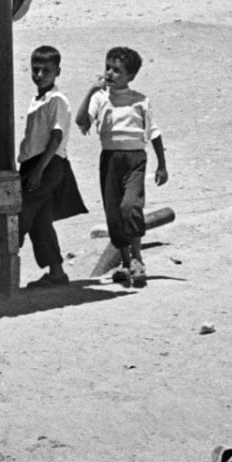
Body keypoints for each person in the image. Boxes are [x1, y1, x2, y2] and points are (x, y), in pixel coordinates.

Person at [75, 46, 169, 289]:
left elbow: (154, 132)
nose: (110, 73)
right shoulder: (100, 98)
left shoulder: (140, 100)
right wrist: (90, 92)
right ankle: (126, 263)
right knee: (114, 213)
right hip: (109, 160)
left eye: (117, 70)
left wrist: (162, 165)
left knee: (130, 206)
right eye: (108, 68)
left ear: (131, 76)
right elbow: (81, 121)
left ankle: (137, 258)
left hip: (135, 160)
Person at [16, 45, 86, 288]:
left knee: (21, 214)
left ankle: (3, 262)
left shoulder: (57, 100)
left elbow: (56, 138)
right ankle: (56, 272)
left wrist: (38, 171)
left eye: (46, 70)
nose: (39, 75)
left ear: (58, 72)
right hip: (34, 164)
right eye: (35, 69)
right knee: (40, 220)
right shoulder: (38, 100)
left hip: (47, 164)